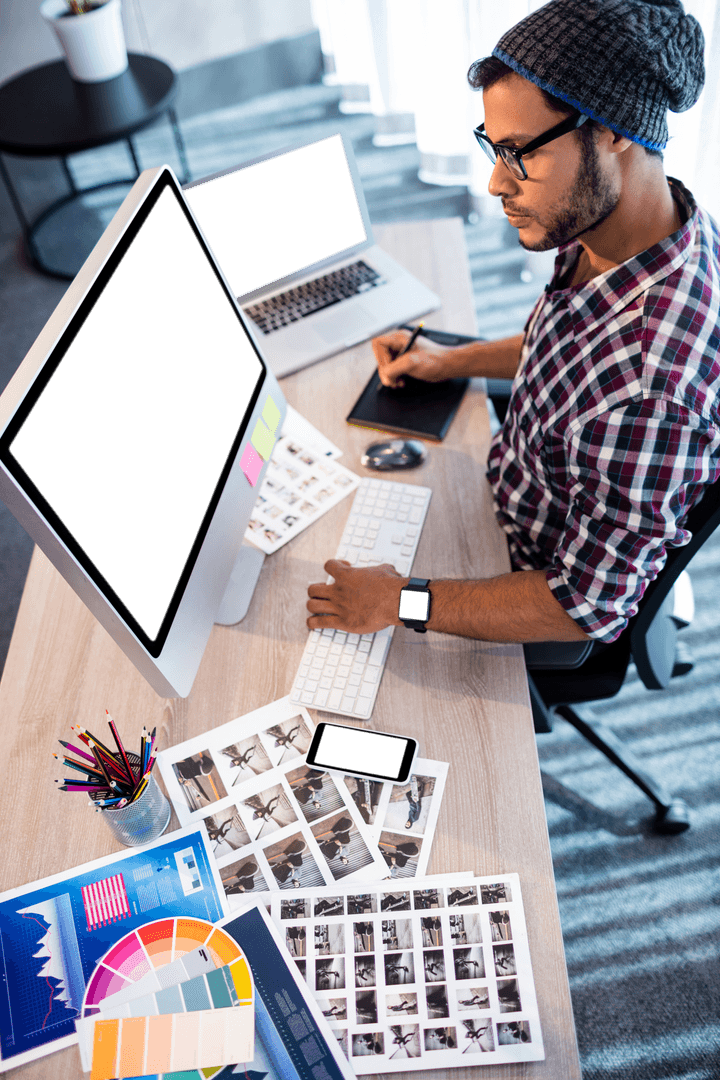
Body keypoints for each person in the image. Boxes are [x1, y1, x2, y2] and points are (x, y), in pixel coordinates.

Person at [305, 0, 719, 658]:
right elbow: (572, 350)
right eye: (493, 147)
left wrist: (398, 600)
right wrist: (454, 359)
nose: (497, 182)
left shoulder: (656, 388)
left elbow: (585, 605)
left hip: (523, 585)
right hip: (504, 485)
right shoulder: (628, 223)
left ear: (612, 131)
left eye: (518, 154)